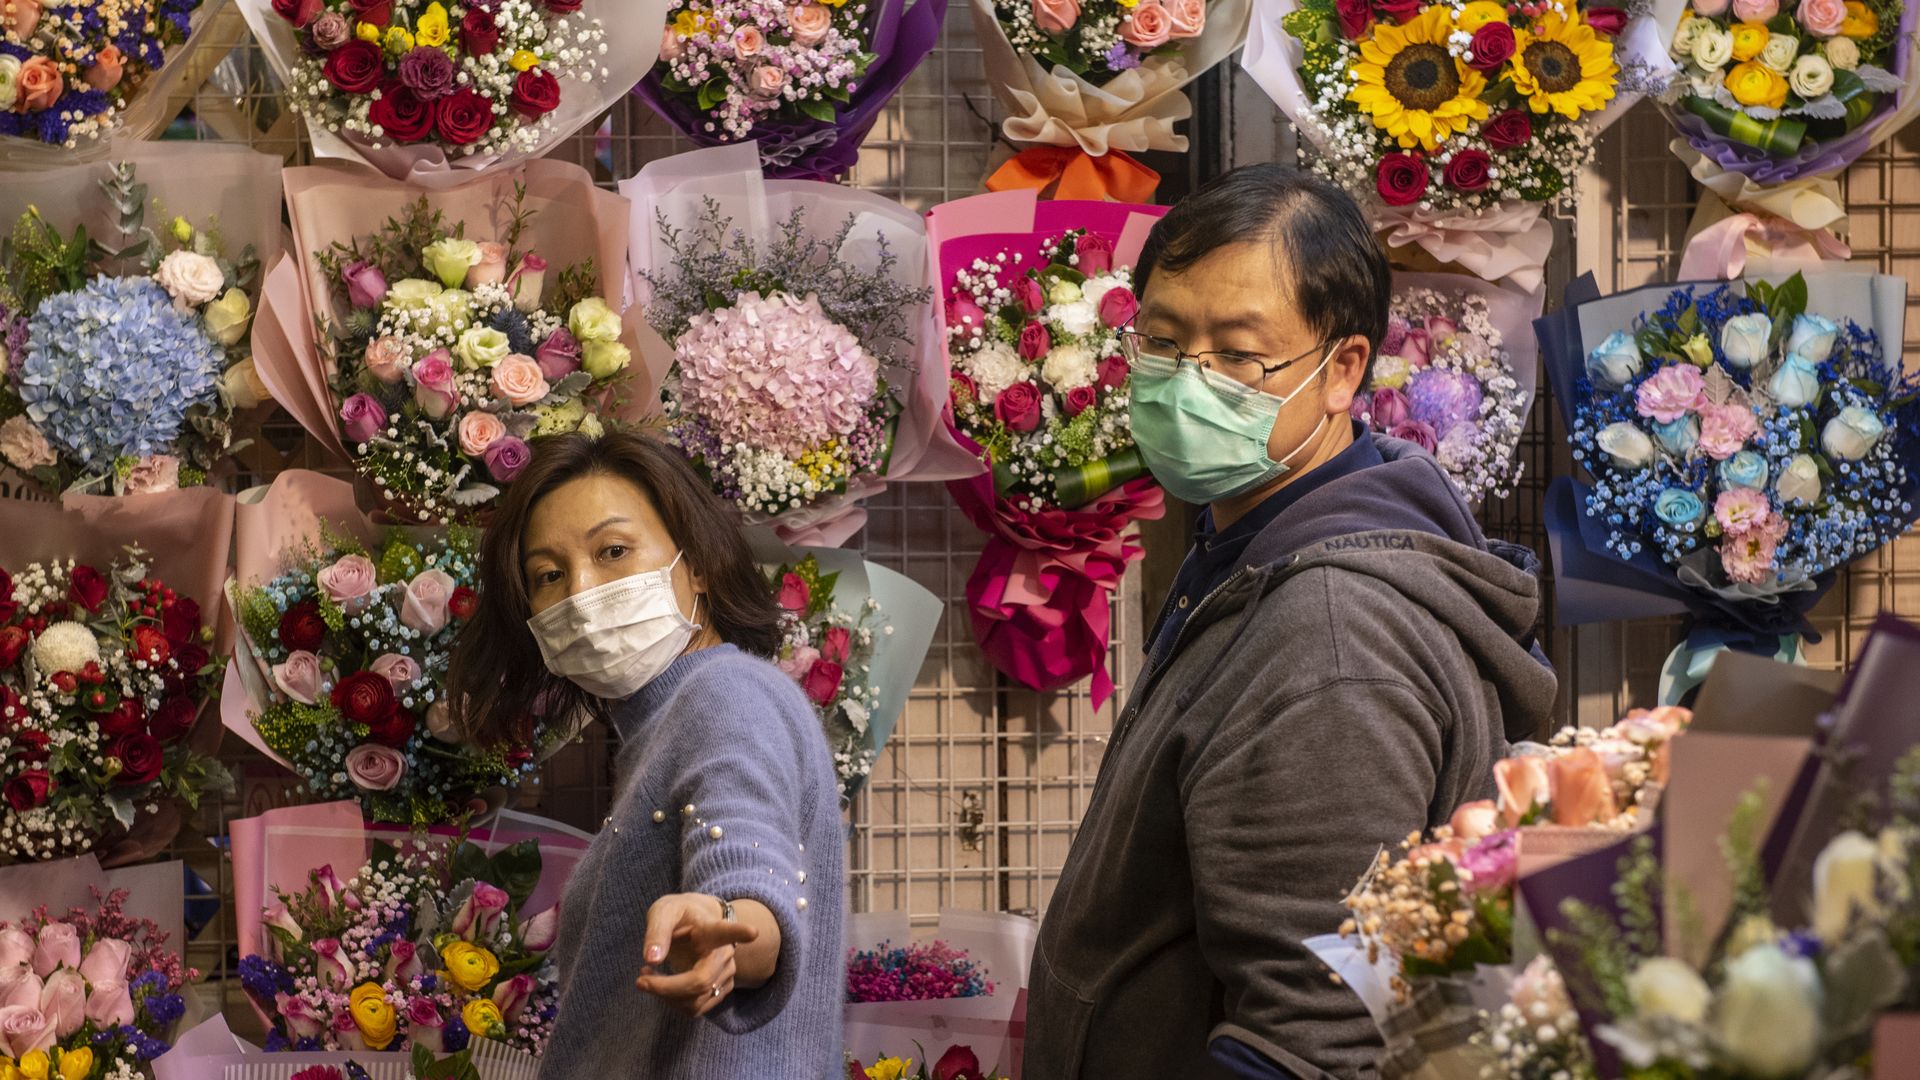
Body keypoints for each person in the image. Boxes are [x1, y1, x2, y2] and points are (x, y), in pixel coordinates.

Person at [1021, 164, 1557, 1079]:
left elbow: (1315, 1035)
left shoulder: (1329, 639)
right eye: (1160, 340)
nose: (1186, 383)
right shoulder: (1258, 552)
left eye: (1238, 353)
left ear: (1344, 368)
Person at [450, 432, 844, 1079]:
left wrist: (726, 926)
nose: (580, 591)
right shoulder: (665, 723)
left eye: (612, 551)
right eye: (548, 574)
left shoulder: (726, 697)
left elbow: (747, 867)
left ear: (698, 564)